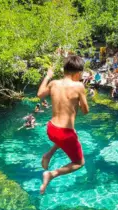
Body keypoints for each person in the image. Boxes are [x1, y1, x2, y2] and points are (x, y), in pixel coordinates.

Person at [37, 56, 89, 194]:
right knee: (79, 163)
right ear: (77, 73)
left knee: (68, 136)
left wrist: (48, 76)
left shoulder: (53, 83)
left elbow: (39, 94)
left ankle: (48, 154)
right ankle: (51, 174)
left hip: (51, 129)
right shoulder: (79, 86)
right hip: (65, 133)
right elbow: (85, 111)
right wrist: (78, 101)